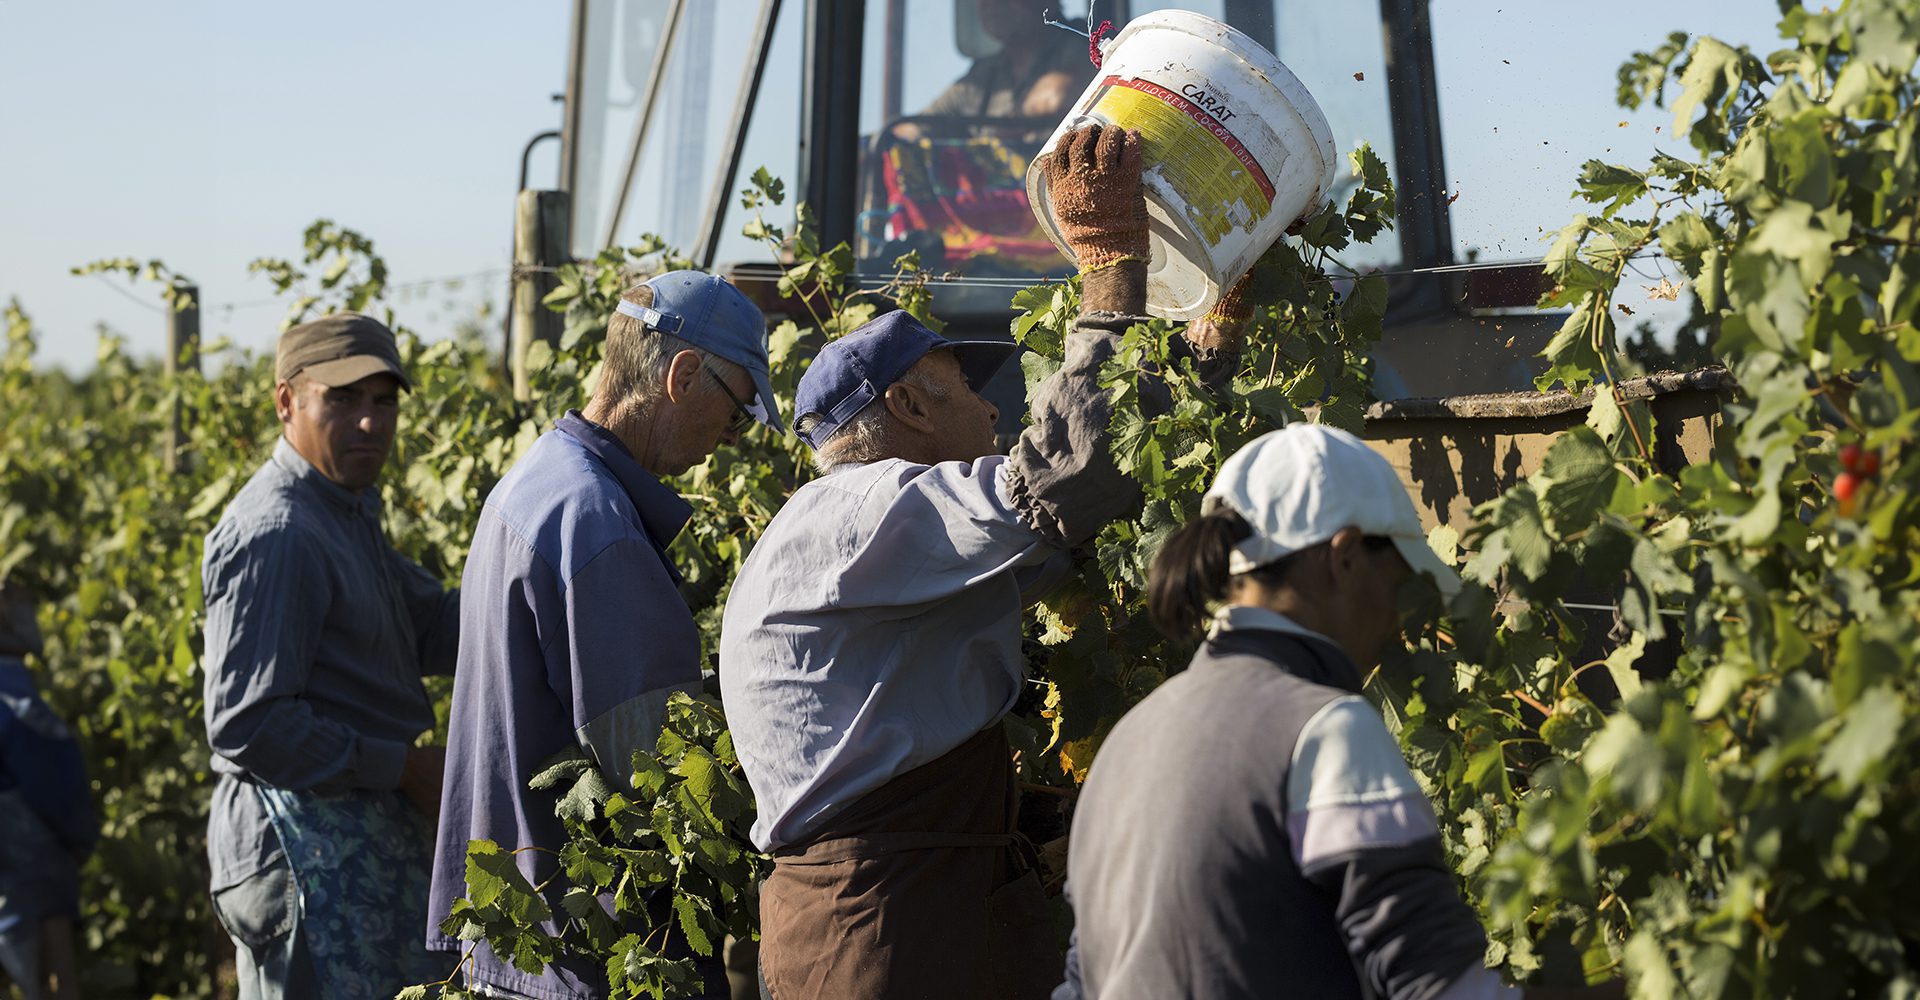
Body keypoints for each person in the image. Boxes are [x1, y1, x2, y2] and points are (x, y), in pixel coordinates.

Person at [719, 123, 1251, 1000]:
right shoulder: (866, 510)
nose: (991, 413)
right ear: (907, 406)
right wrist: (1112, 262)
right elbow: (1062, 478)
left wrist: (1211, 344)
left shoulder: (897, 547)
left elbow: (1074, 528)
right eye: (965, 388)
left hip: (910, 908)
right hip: (889, 927)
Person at [1057, 425, 1625, 1000]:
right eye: (1402, 583)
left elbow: (1081, 983)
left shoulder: (1129, 740)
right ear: (1345, 557)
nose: (1405, 620)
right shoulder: (1323, 729)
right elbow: (1438, 989)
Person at [428, 271, 779, 1000]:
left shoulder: (535, 481)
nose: (731, 439)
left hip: (525, 938)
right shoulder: (600, 527)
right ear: (684, 375)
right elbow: (662, 773)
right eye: (739, 411)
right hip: (588, 957)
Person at [201, 313, 459, 999]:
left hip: (337, 841)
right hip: (297, 853)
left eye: (384, 401)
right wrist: (403, 767)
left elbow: (429, 627)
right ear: (287, 401)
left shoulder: (341, 509)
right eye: (342, 400)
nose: (371, 423)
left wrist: (544, 579)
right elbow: (248, 725)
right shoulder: (280, 532)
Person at [0, 583, 95, 1000]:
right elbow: (57, 787)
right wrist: (80, 837)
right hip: (34, 881)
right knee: (54, 982)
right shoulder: (16, 699)